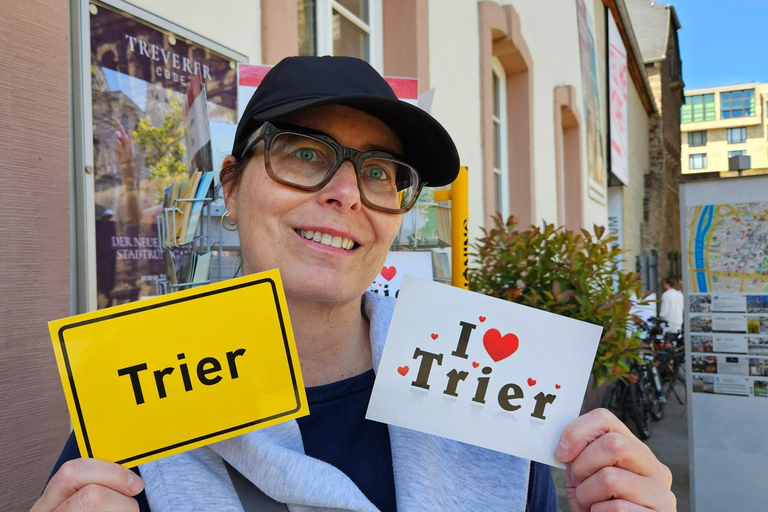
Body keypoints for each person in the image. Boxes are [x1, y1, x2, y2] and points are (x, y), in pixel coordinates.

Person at [35, 56, 675, 512]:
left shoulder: (490, 401)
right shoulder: (135, 399)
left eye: (380, 172)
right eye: (304, 152)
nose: (346, 195)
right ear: (231, 186)